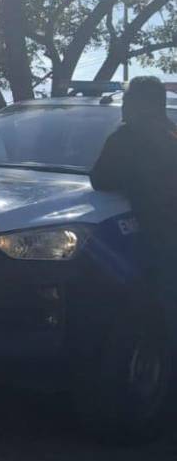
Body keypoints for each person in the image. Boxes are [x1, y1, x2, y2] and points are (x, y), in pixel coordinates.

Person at [91, 76, 177, 342]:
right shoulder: (172, 132)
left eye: (127, 100)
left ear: (138, 104)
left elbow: (101, 179)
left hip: (155, 238)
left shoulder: (127, 136)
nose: (123, 107)